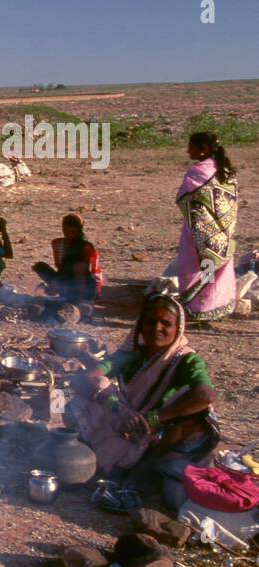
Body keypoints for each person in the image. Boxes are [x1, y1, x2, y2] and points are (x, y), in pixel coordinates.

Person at [69, 295, 218, 507]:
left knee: (199, 416)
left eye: (165, 323)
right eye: (150, 322)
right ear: (140, 326)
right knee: (91, 390)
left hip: (158, 433)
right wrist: (115, 406)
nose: (156, 328)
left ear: (178, 328)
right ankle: (110, 460)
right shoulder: (131, 355)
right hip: (124, 421)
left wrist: (155, 418)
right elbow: (84, 378)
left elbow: (205, 395)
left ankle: (142, 470)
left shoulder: (186, 360)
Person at [168, 132, 239, 322]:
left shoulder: (197, 172)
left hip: (199, 232)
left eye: (191, 147)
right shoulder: (225, 170)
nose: (187, 150)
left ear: (203, 149)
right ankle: (216, 306)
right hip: (223, 231)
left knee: (196, 267)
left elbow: (185, 198)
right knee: (215, 269)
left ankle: (199, 307)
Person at [33, 213, 103, 303]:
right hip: (66, 282)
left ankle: (78, 299)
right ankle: (64, 292)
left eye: (72, 230)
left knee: (79, 265)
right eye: (65, 229)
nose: (68, 233)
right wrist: (55, 284)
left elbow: (86, 272)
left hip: (86, 288)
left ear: (79, 230)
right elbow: (60, 268)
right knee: (39, 267)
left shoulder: (86, 247)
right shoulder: (57, 243)